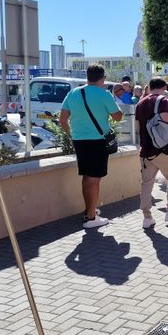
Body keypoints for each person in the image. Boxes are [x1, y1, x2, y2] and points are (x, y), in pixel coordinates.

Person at [59, 63, 124, 228]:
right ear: (102, 78)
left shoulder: (73, 93)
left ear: (87, 77)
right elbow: (118, 117)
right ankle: (91, 217)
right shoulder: (104, 94)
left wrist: (72, 135)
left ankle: (90, 210)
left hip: (79, 141)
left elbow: (62, 120)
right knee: (94, 179)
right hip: (97, 141)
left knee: (87, 177)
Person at [134, 77, 168, 227]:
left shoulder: (140, 102)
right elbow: (165, 118)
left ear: (149, 87)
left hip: (145, 151)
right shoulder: (163, 100)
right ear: (163, 87)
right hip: (162, 149)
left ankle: (147, 217)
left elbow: (138, 128)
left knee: (146, 183)